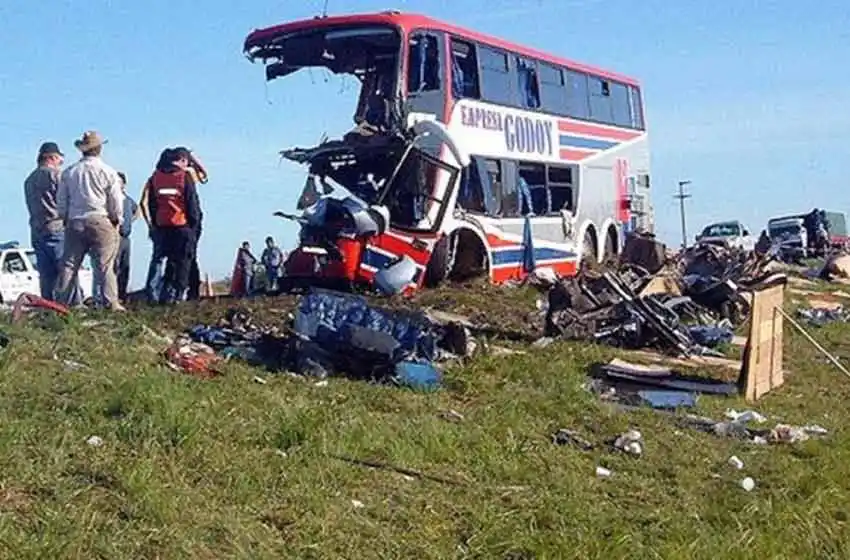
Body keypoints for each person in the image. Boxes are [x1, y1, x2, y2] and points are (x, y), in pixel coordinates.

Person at [54, 131, 124, 310]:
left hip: (75, 220)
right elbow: (115, 200)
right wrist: (116, 218)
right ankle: (111, 303)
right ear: (99, 149)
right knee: (104, 265)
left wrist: (65, 218)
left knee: (69, 264)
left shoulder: (69, 172)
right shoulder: (108, 172)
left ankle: (62, 303)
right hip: (100, 218)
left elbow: (61, 202)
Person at [23, 141, 80, 302]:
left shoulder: (29, 180)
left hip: (37, 231)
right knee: (67, 271)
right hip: (57, 228)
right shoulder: (56, 176)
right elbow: (66, 200)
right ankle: (72, 308)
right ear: (52, 158)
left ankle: (48, 309)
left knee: (46, 276)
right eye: (59, 159)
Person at [145, 148, 202, 304]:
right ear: (181, 160)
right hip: (182, 225)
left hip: (162, 226)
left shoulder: (155, 178)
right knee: (184, 262)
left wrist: (155, 225)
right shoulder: (184, 177)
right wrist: (195, 227)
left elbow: (152, 204)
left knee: (164, 261)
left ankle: (162, 295)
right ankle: (179, 295)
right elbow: (192, 204)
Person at [173, 147, 208, 300]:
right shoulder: (187, 173)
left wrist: (191, 159)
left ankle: (189, 288)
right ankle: (191, 288)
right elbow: (204, 174)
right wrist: (193, 159)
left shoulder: (185, 173)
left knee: (187, 255)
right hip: (189, 217)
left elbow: (204, 175)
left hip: (186, 218)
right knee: (189, 255)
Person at [140, 149, 172, 302]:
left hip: (157, 225)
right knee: (172, 260)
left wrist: (150, 223)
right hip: (172, 224)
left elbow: (143, 202)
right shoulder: (175, 178)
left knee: (157, 259)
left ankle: (152, 292)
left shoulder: (153, 179)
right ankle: (167, 293)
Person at [116, 172, 138, 300]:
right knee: (114, 266)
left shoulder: (128, 200)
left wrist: (130, 220)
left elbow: (137, 210)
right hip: (115, 236)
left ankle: (122, 295)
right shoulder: (111, 199)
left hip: (126, 237)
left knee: (125, 267)